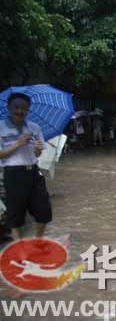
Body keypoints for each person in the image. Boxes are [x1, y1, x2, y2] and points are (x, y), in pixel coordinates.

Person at [0, 93, 52, 240]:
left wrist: (37, 149)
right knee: (15, 215)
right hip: (13, 174)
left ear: (28, 110)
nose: (20, 111)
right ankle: (19, 247)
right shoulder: (1, 127)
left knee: (44, 211)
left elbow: (37, 155)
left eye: (24, 108)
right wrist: (17, 144)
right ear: (9, 107)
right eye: (16, 107)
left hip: (33, 172)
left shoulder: (34, 127)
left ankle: (38, 241)